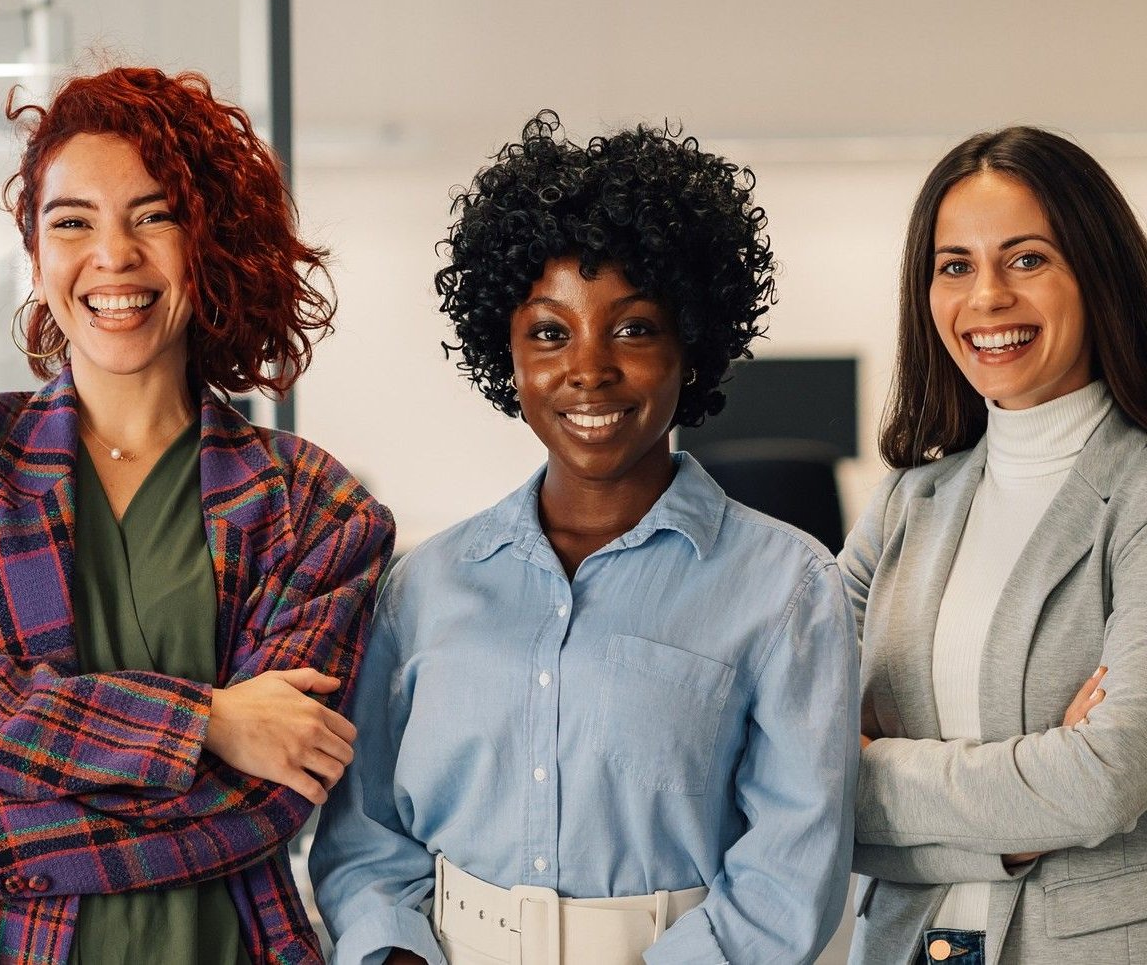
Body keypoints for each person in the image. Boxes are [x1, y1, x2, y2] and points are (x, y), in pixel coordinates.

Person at [310, 111, 859, 965]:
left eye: (633, 327)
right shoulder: (426, 587)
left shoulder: (786, 588)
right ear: (510, 353)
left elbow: (792, 870)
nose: (588, 368)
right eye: (549, 332)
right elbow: (368, 835)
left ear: (694, 345)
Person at [0, 67, 394, 963]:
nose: (113, 255)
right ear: (35, 256)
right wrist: (210, 723)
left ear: (209, 242)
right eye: (72, 221)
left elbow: (264, 799)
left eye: (153, 215)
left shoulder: (317, 508)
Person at [842, 126, 1147, 963]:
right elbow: (786, 772)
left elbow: (1106, 778)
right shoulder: (908, 502)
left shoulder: (1140, 492)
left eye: (1026, 259)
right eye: (955, 265)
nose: (987, 298)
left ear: (1096, 270)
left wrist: (876, 763)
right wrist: (1018, 824)